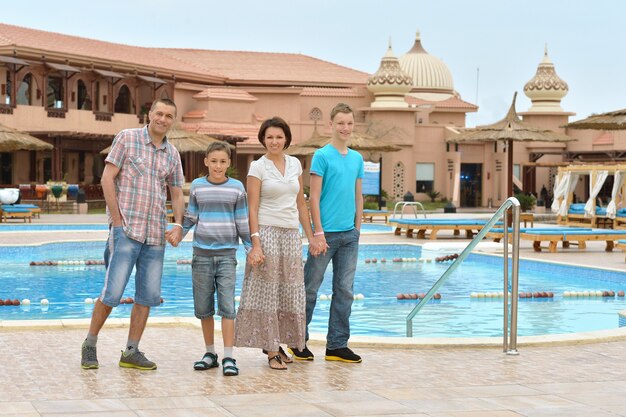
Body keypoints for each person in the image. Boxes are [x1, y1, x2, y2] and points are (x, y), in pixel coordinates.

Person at [80, 98, 185, 370]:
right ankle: (90, 344)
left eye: (169, 116)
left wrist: (178, 224)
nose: (163, 119)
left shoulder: (172, 153)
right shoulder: (127, 139)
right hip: (126, 230)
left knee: (147, 295)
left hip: (155, 235)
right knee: (112, 292)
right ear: (149, 114)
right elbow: (106, 178)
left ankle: (131, 351)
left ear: (174, 120)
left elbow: (175, 191)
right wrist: (117, 222)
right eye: (159, 113)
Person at [234, 117, 324, 370]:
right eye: (270, 137)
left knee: (289, 292)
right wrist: (256, 243)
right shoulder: (257, 167)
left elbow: (300, 205)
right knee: (268, 293)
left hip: (290, 234)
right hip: (267, 232)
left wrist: (313, 235)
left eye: (279, 136)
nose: (274, 141)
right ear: (263, 139)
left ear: (286, 139)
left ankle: (278, 343)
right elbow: (251, 208)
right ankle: (272, 350)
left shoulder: (295, 164)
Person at [290, 103, 364, 363]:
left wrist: (358, 226)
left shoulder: (357, 158)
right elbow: (314, 197)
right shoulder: (321, 156)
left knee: (345, 291)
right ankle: (298, 340)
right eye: (341, 123)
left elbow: (358, 194)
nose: (345, 128)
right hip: (326, 235)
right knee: (310, 288)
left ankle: (337, 345)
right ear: (330, 125)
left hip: (349, 236)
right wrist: (317, 232)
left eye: (350, 123)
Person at [170, 141, 251, 377]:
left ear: (229, 163)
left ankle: (228, 356)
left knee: (228, 307)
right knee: (204, 308)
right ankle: (210, 353)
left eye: (222, 161)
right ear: (206, 161)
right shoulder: (197, 186)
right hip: (201, 256)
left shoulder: (237, 187)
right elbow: (191, 217)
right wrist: (179, 233)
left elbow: (242, 222)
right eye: (213, 161)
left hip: (227, 256)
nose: (218, 166)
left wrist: (250, 247)